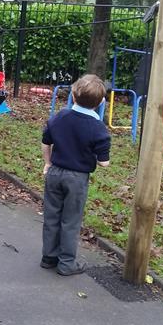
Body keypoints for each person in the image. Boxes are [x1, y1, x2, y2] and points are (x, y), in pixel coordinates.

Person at [40, 74, 111, 276]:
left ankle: (48, 257)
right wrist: (101, 158)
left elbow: (46, 142)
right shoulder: (99, 129)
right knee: (70, 220)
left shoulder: (59, 117)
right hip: (77, 178)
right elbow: (103, 162)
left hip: (54, 173)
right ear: (101, 102)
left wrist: (47, 163)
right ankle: (66, 263)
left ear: (73, 94)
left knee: (52, 215)